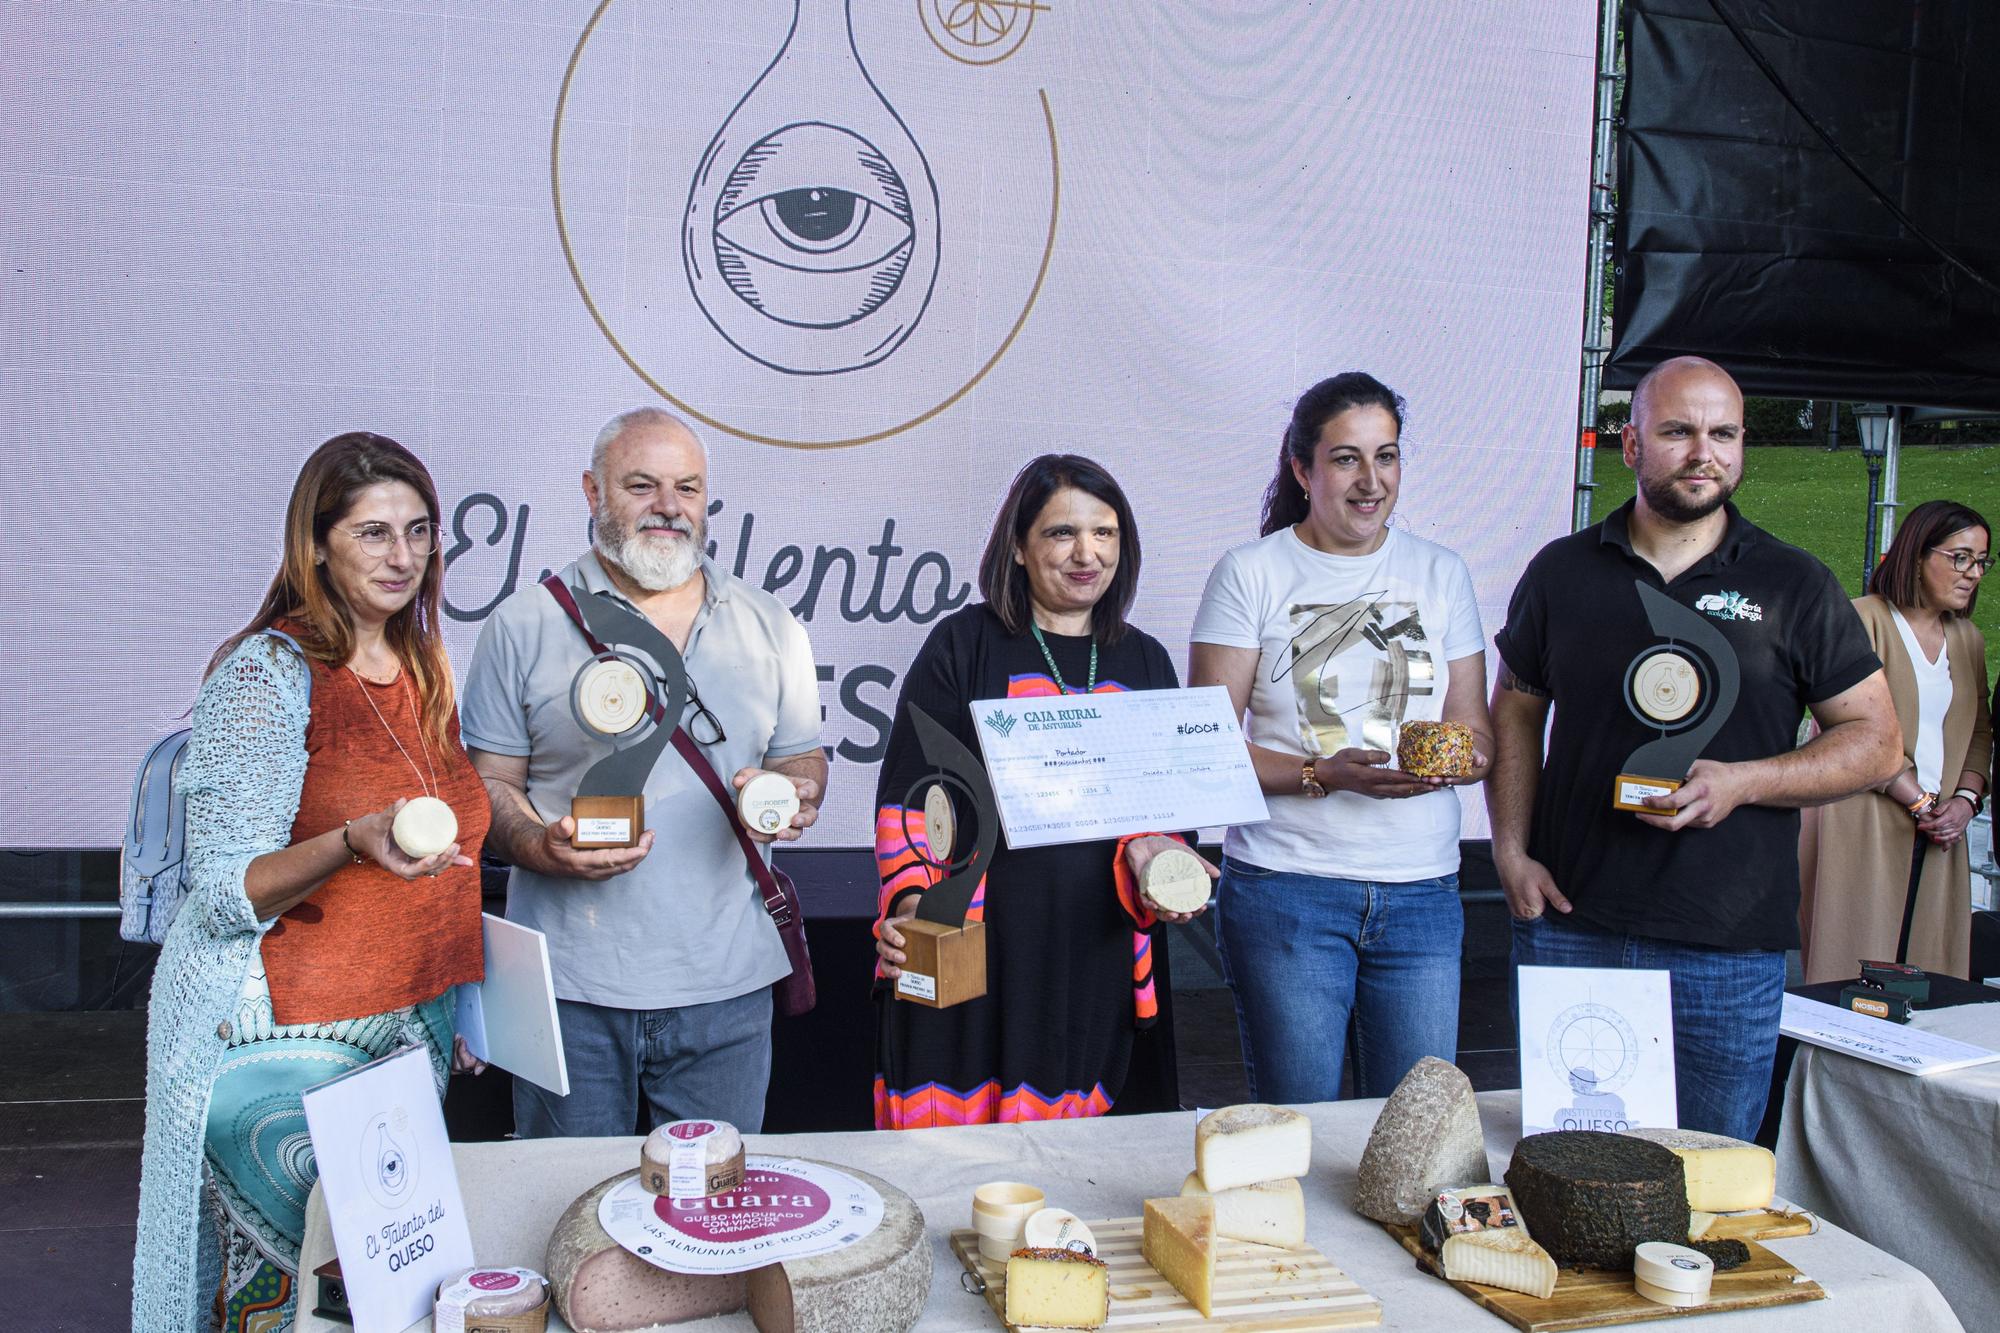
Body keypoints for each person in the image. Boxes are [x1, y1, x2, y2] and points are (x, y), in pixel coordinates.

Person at [1489, 356, 1901, 1140]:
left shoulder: (1794, 583)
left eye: (1724, 433)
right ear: (1631, 445)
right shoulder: (1561, 571)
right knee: (1569, 1170)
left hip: (1728, 941)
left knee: (1708, 1182)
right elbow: (1515, 708)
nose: (1702, 452)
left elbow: (1877, 742)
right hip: (1575, 924)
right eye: (1678, 431)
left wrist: (1745, 782)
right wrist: (1509, 847)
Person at [133, 433, 490, 1333]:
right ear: (317, 543)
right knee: (285, 1301)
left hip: (400, 1038)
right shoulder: (266, 673)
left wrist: (466, 1000)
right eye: (373, 533)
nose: (402, 556)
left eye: (419, 532)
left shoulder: (422, 668)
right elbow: (222, 892)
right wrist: (350, 841)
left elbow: (451, 862)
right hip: (272, 1045)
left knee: (373, 1299)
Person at [462, 406, 824, 1137]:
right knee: (569, 1219)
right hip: (569, 990)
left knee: (715, 1226)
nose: (668, 506)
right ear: (593, 493)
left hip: (728, 988)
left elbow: (801, 755)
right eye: (642, 484)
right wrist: (538, 846)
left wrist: (795, 789)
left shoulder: (772, 624)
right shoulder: (523, 624)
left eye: (687, 488)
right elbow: (488, 785)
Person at [871, 454, 1211, 1128]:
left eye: (1105, 533)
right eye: (1061, 533)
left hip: (1090, 951)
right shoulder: (963, 645)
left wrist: (1163, 859)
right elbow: (911, 793)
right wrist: (913, 906)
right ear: (1020, 548)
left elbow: (1173, 809)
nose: (1087, 552)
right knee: (947, 1161)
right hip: (965, 941)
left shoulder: (1144, 659)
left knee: (1073, 1166)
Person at [1187, 372, 1492, 1102]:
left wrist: (1462, 760)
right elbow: (1204, 747)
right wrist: (1327, 772)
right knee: (1302, 1125)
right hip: (1287, 888)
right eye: (1347, 458)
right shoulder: (1251, 573)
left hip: (1421, 889)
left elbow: (1475, 725)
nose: (1371, 480)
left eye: (1386, 456)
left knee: (1415, 1128)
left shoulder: (1441, 571)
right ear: (1302, 468)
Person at [1800, 501, 1991, 982]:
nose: (1974, 574)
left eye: (1982, 561)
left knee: (1930, 976)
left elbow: (1980, 731)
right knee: (1852, 973)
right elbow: (1844, 727)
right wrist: (1920, 801)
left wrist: (1965, 802)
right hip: (1860, 817)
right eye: (1961, 557)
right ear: (1917, 553)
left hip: (1939, 830)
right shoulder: (1862, 620)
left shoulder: (1968, 639)